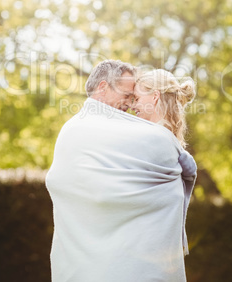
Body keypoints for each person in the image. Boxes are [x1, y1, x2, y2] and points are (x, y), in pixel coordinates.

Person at [46, 60, 197, 282]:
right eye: (127, 95)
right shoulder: (83, 129)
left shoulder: (143, 136)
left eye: (134, 98)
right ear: (103, 87)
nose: (129, 105)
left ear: (154, 97)